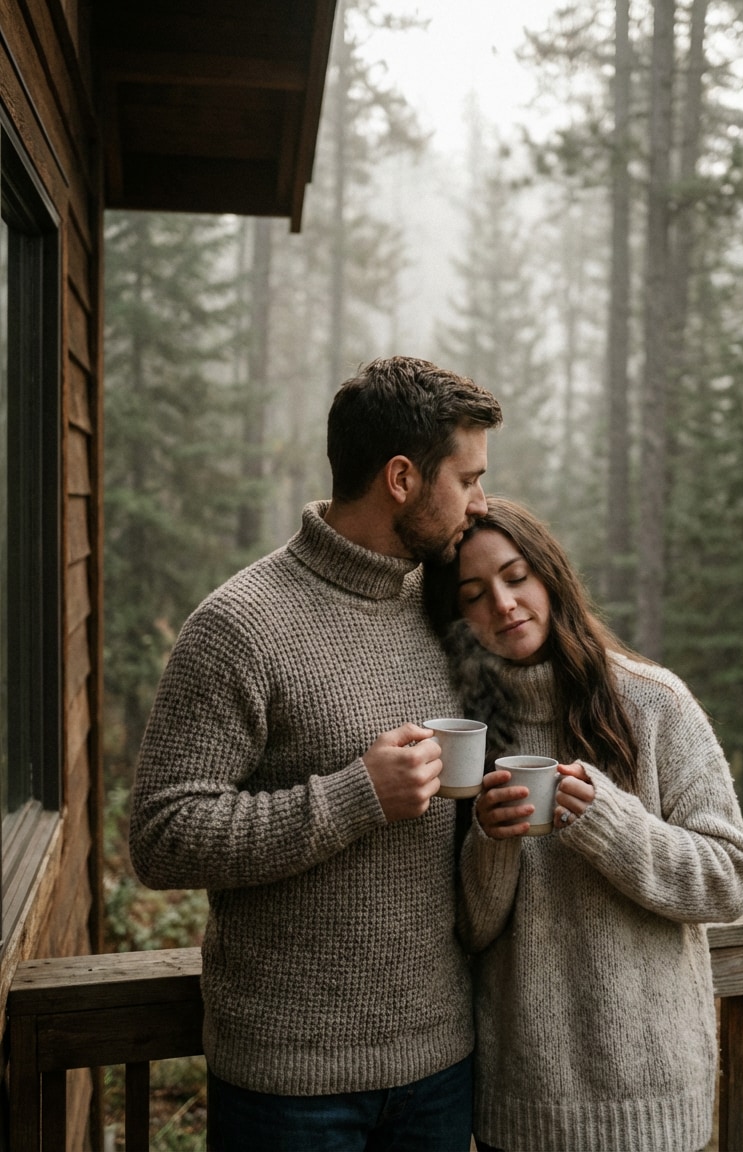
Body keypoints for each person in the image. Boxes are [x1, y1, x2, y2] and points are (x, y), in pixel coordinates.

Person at [129, 356, 503, 1152]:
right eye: (467, 480)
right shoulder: (239, 626)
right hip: (289, 1084)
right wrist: (354, 796)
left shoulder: (442, 603)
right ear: (401, 477)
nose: (482, 502)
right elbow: (162, 835)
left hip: (440, 1064)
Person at [423, 497, 743, 1152]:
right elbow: (472, 930)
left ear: (550, 576)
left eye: (516, 577)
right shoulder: (465, 728)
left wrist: (606, 820)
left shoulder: (652, 701)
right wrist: (493, 840)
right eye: (475, 594)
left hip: (654, 1105)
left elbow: (728, 881)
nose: (504, 604)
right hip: (521, 1109)